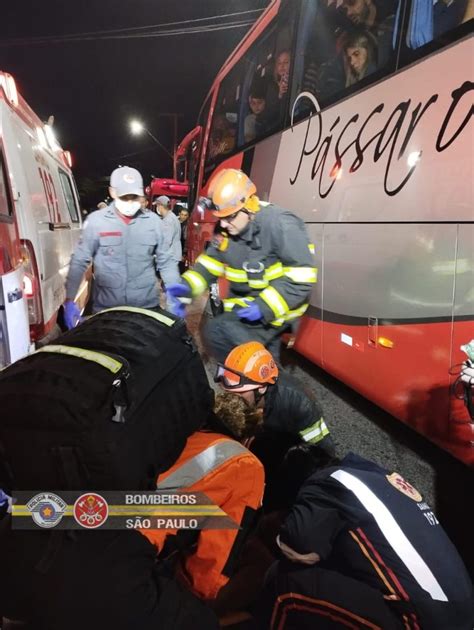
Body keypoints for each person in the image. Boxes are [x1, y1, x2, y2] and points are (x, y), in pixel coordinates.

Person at [256, 445, 474, 629]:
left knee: (284, 583)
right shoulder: (377, 475)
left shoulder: (323, 481)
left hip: (425, 619)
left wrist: (277, 523)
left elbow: (298, 549)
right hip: (461, 611)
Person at [167, 169, 317, 363]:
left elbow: (301, 280)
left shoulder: (281, 224)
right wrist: (187, 287)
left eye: (230, 217)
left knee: (230, 344)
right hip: (246, 311)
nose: (224, 224)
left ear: (250, 206)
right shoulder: (226, 227)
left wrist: (263, 306)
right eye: (220, 217)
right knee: (247, 362)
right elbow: (210, 264)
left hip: (273, 313)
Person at [140, 392, 265, 603]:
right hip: (138, 550)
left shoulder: (180, 431)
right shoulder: (245, 465)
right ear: (248, 438)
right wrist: (199, 597)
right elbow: (216, 556)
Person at [215, 341, 332, 509]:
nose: (232, 398)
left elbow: (323, 452)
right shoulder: (244, 399)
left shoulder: (298, 403)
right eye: (228, 391)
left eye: (238, 393)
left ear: (261, 388)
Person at [63, 166, 180, 329]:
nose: (131, 202)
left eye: (135, 197)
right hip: (108, 311)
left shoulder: (153, 222)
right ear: (112, 192)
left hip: (145, 310)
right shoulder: (97, 222)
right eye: (125, 197)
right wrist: (70, 298)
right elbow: (79, 261)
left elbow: (166, 261)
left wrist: (174, 292)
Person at [342, 0, 395, 67]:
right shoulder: (358, 37)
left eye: (352, 3)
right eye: (345, 9)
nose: (348, 13)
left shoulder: (392, 16)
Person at [262, 50, 291, 133]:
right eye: (279, 63)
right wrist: (280, 95)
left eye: (286, 62)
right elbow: (269, 116)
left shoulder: (295, 81)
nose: (282, 66)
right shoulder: (272, 87)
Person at [244, 79, 266, 144]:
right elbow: (249, 141)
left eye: (259, 102)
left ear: (265, 102)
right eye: (253, 103)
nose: (256, 106)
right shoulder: (249, 120)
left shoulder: (270, 115)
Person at [177, 205, 190, 274]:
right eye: (182, 214)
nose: (183, 216)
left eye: (185, 215)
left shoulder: (188, 225)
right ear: (179, 214)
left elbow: (186, 240)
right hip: (174, 248)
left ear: (187, 216)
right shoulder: (175, 222)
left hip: (181, 248)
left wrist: (183, 254)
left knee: (180, 268)